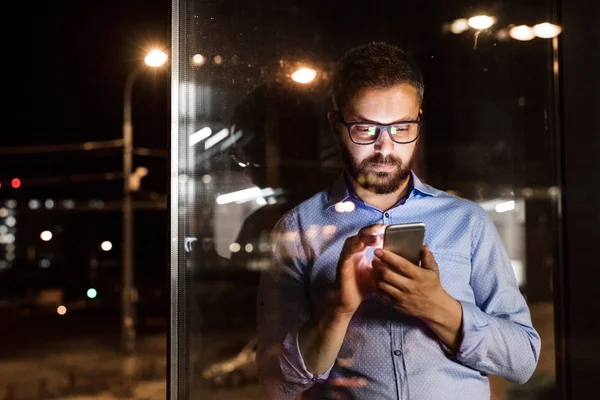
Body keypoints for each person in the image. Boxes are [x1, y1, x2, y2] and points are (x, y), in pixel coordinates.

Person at [256, 41, 540, 400]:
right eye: (365, 129)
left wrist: (441, 309)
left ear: (419, 120)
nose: (385, 147)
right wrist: (338, 313)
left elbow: (524, 360)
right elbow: (275, 385)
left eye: (402, 127)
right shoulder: (299, 230)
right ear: (335, 125)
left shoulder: (466, 221)